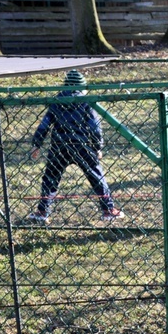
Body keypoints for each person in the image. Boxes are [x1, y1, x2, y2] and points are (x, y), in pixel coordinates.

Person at [27, 69, 124, 224]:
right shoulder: (87, 101)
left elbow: (44, 124)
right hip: (82, 145)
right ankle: (108, 209)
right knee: (96, 176)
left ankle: (43, 211)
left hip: (59, 145)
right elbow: (94, 127)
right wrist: (97, 146)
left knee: (51, 177)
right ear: (82, 86)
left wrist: (37, 144)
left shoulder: (56, 101)